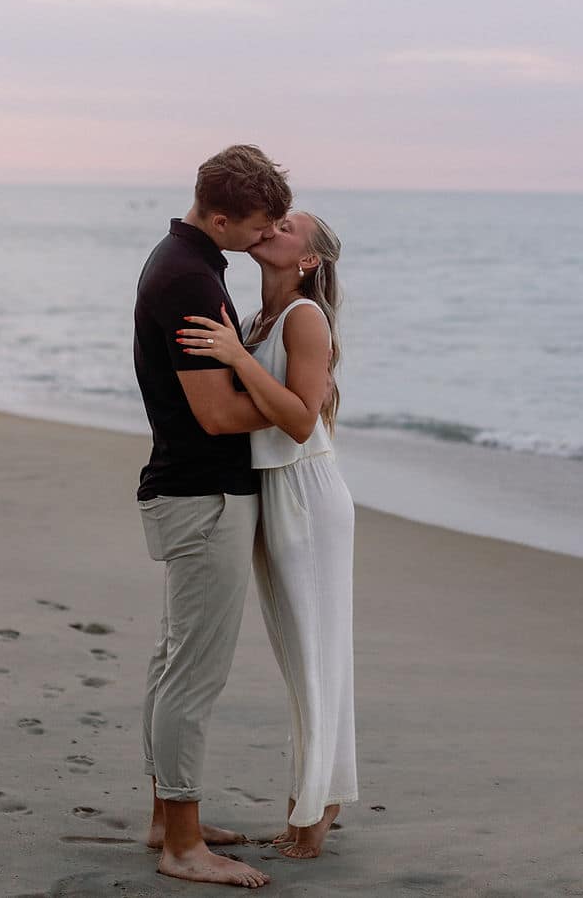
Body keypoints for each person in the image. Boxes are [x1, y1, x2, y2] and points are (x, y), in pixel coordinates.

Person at [132, 144, 290, 888]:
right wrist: (294, 406)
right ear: (219, 217)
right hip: (204, 497)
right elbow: (217, 415)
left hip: (193, 492)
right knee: (193, 676)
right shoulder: (189, 277)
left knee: (175, 663)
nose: (269, 236)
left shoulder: (188, 262)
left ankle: (168, 821)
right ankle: (183, 847)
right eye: (259, 225)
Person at [177, 210, 357, 859]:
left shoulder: (304, 318)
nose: (272, 228)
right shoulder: (258, 319)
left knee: (314, 654)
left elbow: (301, 421)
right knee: (297, 652)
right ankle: (316, 796)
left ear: (308, 260)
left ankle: (317, 807)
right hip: (274, 490)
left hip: (306, 493)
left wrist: (234, 357)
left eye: (286, 227)